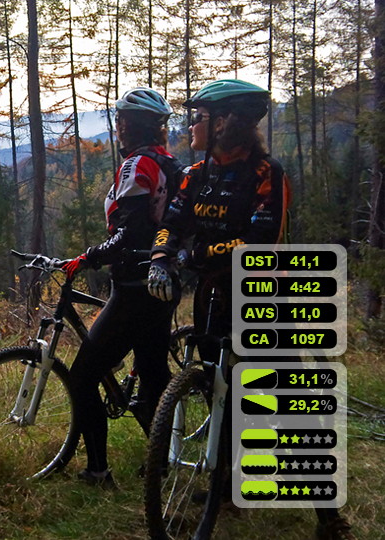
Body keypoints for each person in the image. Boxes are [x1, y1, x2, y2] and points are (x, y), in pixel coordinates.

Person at [146, 79, 354, 540]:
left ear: (224, 123)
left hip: (263, 300)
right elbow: (172, 223)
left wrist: (198, 257)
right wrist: (161, 259)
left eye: (198, 116)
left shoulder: (267, 173)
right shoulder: (195, 173)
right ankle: (228, 485)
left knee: (289, 403)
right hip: (212, 297)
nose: (190, 124)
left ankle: (328, 514)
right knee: (218, 389)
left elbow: (261, 241)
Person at [61, 87, 180, 489]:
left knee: (82, 378)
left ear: (132, 125)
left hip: (134, 286)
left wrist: (87, 257)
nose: (118, 127)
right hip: (162, 284)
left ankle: (97, 472)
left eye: (121, 121)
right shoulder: (169, 162)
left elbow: (129, 236)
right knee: (152, 372)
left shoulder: (137, 165)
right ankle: (161, 464)